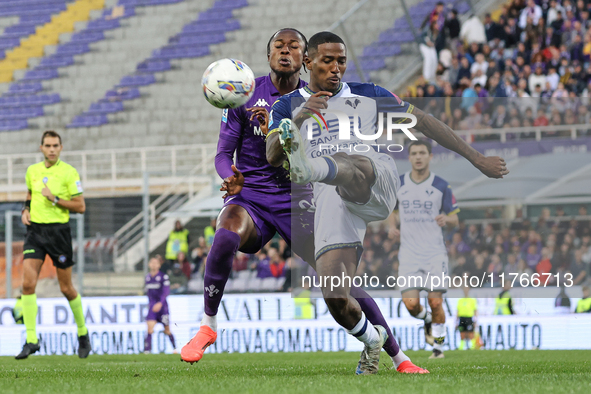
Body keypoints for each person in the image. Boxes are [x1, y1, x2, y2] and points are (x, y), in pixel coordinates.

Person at [181, 28, 422, 375]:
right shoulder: (245, 93)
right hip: (252, 195)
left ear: (305, 59)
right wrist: (229, 174)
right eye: (278, 45)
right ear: (268, 56)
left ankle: (399, 358)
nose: (285, 51)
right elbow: (222, 152)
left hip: (303, 200)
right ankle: (208, 325)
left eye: (294, 46)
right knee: (225, 234)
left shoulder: (319, 96)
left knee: (341, 283)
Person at [267, 31, 507, 375]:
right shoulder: (286, 106)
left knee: (350, 159)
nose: (336, 68)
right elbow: (273, 154)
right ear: (308, 62)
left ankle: (309, 167)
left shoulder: (368, 94)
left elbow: (424, 122)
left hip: (374, 179)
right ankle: (372, 339)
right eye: (327, 60)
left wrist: (477, 158)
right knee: (334, 294)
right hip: (332, 200)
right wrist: (301, 116)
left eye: (341, 61)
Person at [17, 130, 90, 360]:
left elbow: (80, 206)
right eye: (47, 145)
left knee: (66, 288)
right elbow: (30, 193)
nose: (51, 149)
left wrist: (55, 199)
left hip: (59, 234)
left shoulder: (69, 173)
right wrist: (26, 209)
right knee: (28, 284)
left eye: (55, 145)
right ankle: (31, 340)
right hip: (36, 232)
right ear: (41, 148)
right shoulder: (32, 171)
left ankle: (83, 334)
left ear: (61, 148)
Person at [390, 140, 459, 359]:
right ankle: (427, 319)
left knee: (435, 300)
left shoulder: (441, 185)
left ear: (430, 156)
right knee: (411, 305)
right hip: (408, 254)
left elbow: (455, 218)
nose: (418, 157)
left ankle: (438, 347)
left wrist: (446, 219)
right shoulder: (399, 184)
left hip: (434, 253)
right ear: (409, 158)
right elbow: (391, 210)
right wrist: (393, 226)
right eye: (414, 153)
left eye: (422, 153)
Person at [144, 257, 177, 353]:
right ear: (149, 264)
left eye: (156, 263)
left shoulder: (163, 277)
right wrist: (150, 304)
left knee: (167, 330)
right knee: (149, 328)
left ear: (159, 265)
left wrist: (160, 303)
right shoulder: (147, 278)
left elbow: (166, 292)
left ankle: (175, 348)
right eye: (152, 262)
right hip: (152, 308)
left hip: (162, 308)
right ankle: (147, 351)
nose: (154, 264)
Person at [456, 285, 478, 350]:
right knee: (462, 332)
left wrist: (476, 320)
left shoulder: (472, 300)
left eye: (467, 289)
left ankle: (472, 346)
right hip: (461, 318)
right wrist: (456, 320)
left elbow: (475, 310)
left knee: (470, 332)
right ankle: (462, 346)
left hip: (469, 318)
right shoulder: (460, 300)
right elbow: (458, 310)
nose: (465, 290)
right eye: (464, 289)